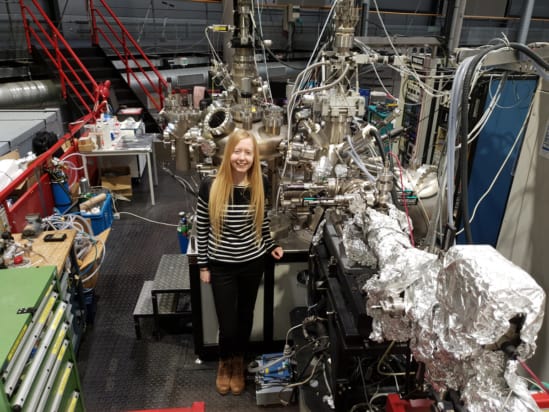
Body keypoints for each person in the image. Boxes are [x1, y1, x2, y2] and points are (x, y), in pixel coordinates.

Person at [195, 129, 284, 396]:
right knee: (228, 323)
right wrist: (203, 265)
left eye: (247, 152)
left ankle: (238, 363)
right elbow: (202, 226)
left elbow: (262, 221)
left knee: (245, 318)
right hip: (221, 265)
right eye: (237, 151)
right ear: (228, 153)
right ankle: (224, 363)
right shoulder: (210, 186)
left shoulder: (260, 184)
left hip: (251, 263)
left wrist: (270, 245)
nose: (241, 157)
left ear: (255, 156)